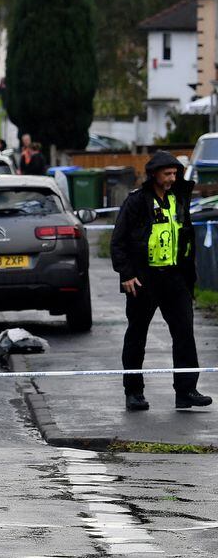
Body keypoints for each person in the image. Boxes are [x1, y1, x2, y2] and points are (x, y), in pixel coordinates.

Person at [111, 151, 211, 412]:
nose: (172, 178)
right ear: (154, 174)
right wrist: (127, 274)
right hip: (143, 280)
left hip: (175, 277)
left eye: (175, 173)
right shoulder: (136, 202)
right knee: (137, 336)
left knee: (184, 333)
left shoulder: (178, 198)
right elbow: (118, 242)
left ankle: (186, 390)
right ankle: (134, 392)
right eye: (167, 174)